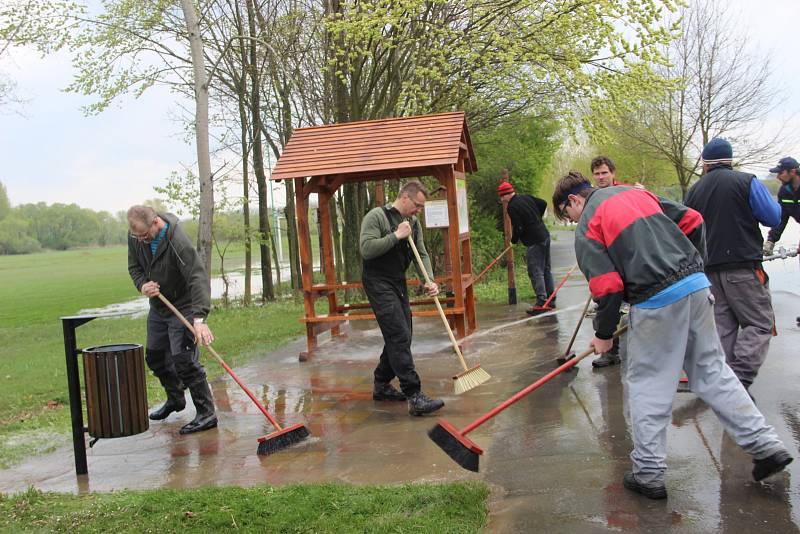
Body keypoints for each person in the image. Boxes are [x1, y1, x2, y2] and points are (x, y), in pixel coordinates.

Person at [553, 171, 792, 499]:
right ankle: (766, 447)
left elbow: (607, 287)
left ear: (574, 201)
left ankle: (648, 473)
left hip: (655, 299)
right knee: (714, 373)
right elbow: (694, 221)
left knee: (648, 383)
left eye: (568, 215)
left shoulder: (588, 225)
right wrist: (693, 270)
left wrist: (604, 335)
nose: (572, 221)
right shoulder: (637, 194)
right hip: (697, 286)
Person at [684, 138, 781, 392]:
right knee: (759, 323)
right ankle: (739, 380)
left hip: (709, 270)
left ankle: (725, 382)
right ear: (730, 160)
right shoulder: (746, 181)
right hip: (743, 266)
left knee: (723, 329)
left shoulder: (693, 191)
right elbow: (772, 216)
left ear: (704, 162)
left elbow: (685, 231)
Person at [127, 205, 218, 435]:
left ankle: (207, 413)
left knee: (183, 359)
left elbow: (197, 276)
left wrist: (199, 318)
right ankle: (176, 398)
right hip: (159, 306)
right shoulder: (136, 237)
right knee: (155, 357)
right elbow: (134, 267)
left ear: (156, 222)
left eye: (145, 236)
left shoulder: (177, 240)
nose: (142, 241)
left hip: (184, 305)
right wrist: (142, 285)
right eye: (138, 237)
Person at [359, 181, 444, 416]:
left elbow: (421, 253)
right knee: (398, 333)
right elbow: (366, 249)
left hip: (398, 281)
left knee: (403, 334)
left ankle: (381, 384)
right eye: (417, 205)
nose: (418, 210)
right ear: (404, 198)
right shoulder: (376, 217)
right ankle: (414, 395)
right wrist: (396, 235)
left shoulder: (414, 223)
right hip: (377, 282)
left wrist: (429, 279)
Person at [497, 180, 554, 316]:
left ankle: (541, 301)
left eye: (501, 196)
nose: (501, 199)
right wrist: (536, 220)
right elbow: (543, 203)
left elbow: (519, 227)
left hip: (534, 240)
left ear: (505, 195)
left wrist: (513, 241)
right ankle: (551, 299)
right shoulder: (526, 197)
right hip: (544, 235)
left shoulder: (511, 207)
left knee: (536, 271)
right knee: (546, 269)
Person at [588, 157, 624, 367]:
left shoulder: (624, 192)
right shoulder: (593, 197)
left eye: (604, 173)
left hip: (623, 257)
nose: (601, 177)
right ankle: (610, 352)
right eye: (597, 174)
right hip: (604, 258)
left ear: (612, 173)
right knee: (604, 303)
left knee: (625, 307)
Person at [764, 156, 800, 255]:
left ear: (792, 172)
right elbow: (781, 218)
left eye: (781, 173)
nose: (778, 177)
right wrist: (771, 240)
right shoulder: (784, 192)